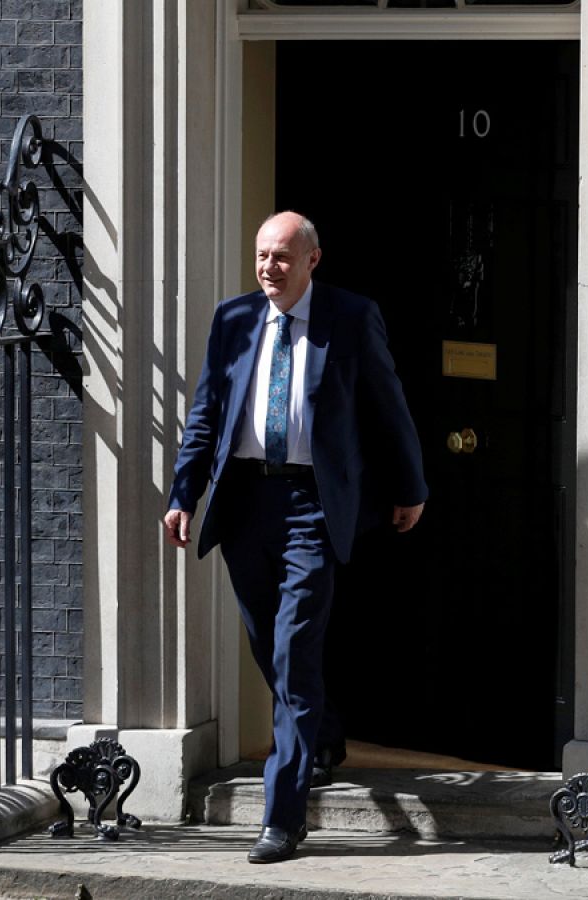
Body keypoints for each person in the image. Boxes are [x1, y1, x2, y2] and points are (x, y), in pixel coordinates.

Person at [162, 211, 427, 863]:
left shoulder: (350, 317)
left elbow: (388, 408)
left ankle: (283, 817)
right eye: (261, 255)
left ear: (313, 260)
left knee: (293, 651)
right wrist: (182, 495)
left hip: (312, 501)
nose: (268, 268)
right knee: (265, 641)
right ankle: (326, 732)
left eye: (281, 256)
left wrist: (410, 487)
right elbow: (206, 415)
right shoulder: (233, 320)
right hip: (246, 501)